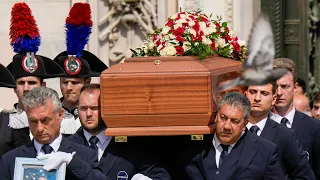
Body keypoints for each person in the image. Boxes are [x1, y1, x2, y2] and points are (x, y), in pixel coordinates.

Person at [0, 87, 110, 180]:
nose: (39, 128)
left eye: (45, 120)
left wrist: (72, 162)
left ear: (61, 115)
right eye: (33, 121)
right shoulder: (11, 160)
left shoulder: (84, 155)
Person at [0, 2, 65, 157]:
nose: (27, 88)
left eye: (32, 82)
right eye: (21, 83)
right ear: (14, 87)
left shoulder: (62, 119)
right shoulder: (2, 121)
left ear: (43, 85)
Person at [67, 84, 171, 180]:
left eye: (95, 108)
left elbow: (160, 176)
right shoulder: (67, 146)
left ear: (106, 108)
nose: (88, 114)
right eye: (83, 108)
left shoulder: (132, 145)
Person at [183, 92, 285, 179]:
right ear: (216, 117)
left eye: (234, 121)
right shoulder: (193, 144)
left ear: (245, 124)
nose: (227, 126)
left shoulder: (265, 151)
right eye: (223, 118)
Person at [53, 2, 108, 136]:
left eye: (75, 82)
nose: (69, 87)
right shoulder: (51, 113)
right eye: (65, 82)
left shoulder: (100, 116)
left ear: (87, 82)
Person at [245, 83, 314, 179]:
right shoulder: (233, 130)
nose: (257, 98)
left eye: (264, 93)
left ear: (273, 99)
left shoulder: (285, 135)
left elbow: (304, 176)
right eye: (253, 92)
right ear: (245, 95)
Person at [270, 58, 320, 179]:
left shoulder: (314, 127)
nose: (279, 92)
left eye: (285, 86)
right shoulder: (259, 126)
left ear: (295, 87)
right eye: (275, 87)